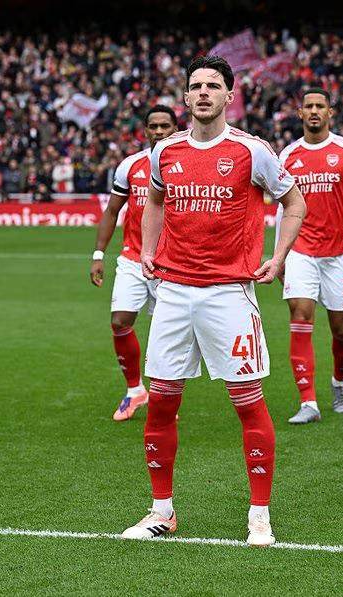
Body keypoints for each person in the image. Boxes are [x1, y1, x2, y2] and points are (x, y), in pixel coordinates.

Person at [120, 56, 306, 546]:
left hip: (229, 293)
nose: (203, 92)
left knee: (248, 403)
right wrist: (147, 250)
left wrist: (279, 257)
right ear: (185, 97)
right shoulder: (166, 151)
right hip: (173, 293)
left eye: (213, 86)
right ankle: (162, 511)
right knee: (161, 402)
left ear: (229, 95)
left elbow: (294, 202)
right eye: (196, 86)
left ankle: (259, 515)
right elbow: (154, 201)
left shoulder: (251, 151)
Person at [276, 88, 343, 424]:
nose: (314, 111)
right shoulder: (288, 155)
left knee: (342, 329)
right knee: (301, 313)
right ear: (300, 113)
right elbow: (283, 208)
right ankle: (308, 403)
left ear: (330, 112)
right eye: (309, 106)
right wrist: (280, 255)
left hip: (338, 253)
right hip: (301, 250)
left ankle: (340, 383)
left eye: (320, 106)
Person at [90, 106, 178, 421]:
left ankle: (163, 397)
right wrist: (98, 255)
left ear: (175, 128)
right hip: (132, 259)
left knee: (165, 334)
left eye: (165, 125)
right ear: (145, 130)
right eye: (153, 126)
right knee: (119, 321)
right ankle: (135, 390)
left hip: (170, 263)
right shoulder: (130, 165)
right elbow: (112, 211)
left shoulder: (186, 163)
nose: (159, 131)